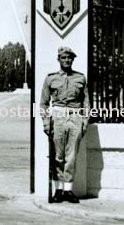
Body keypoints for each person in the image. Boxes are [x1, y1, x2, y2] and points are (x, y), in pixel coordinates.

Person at [40, 46, 90, 204]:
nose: (67, 60)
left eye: (69, 58)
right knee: (57, 156)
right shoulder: (50, 78)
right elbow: (43, 104)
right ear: (58, 59)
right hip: (58, 118)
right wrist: (46, 122)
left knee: (71, 157)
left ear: (73, 60)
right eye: (63, 58)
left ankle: (68, 190)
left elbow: (86, 102)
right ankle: (58, 190)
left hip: (75, 118)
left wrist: (84, 121)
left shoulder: (80, 78)